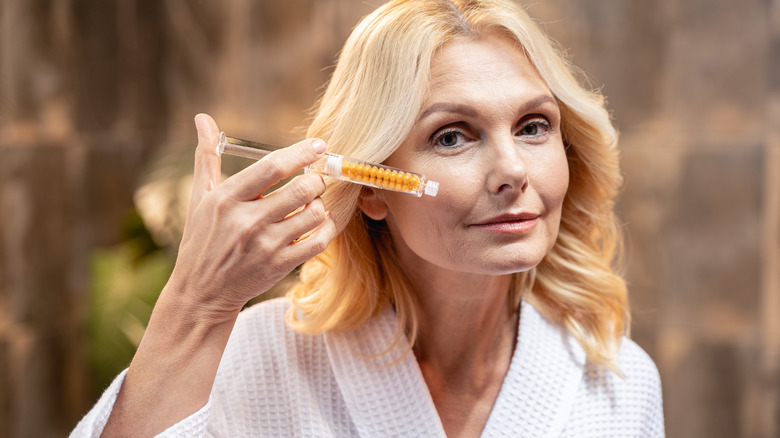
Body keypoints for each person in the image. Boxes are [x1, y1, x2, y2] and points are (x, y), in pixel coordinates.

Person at [72, 0, 664, 436]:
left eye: (534, 126)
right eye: (452, 136)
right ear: (373, 186)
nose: (513, 170)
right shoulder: (259, 357)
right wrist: (195, 304)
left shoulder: (616, 382)